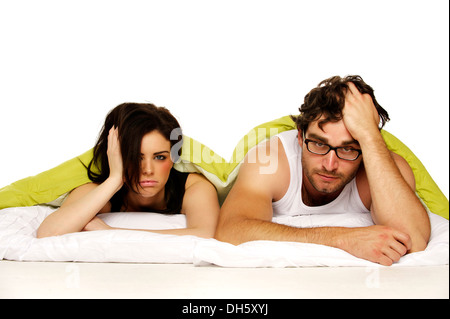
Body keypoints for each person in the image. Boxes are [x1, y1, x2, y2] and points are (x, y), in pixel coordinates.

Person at [215, 75, 431, 266]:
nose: (330, 164)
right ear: (300, 136)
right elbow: (230, 231)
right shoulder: (270, 160)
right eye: (319, 144)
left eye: (348, 149)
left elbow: (413, 240)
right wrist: (344, 239)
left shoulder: (385, 165)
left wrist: (370, 136)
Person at [37, 103, 220, 238]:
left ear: (173, 158)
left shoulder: (194, 187)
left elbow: (205, 234)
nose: (148, 170)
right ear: (116, 156)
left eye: (159, 157)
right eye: (136, 158)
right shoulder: (100, 191)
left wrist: (112, 232)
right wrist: (115, 179)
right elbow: (49, 233)